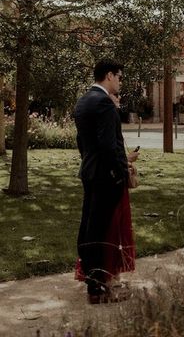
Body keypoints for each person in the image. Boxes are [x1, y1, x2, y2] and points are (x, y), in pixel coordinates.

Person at [74, 59, 138, 304]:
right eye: (119, 77)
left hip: (90, 172)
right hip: (105, 177)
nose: (120, 81)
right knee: (102, 232)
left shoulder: (83, 101)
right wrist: (121, 172)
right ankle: (99, 289)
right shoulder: (104, 104)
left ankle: (93, 284)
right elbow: (108, 146)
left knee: (89, 229)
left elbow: (83, 143)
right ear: (109, 76)